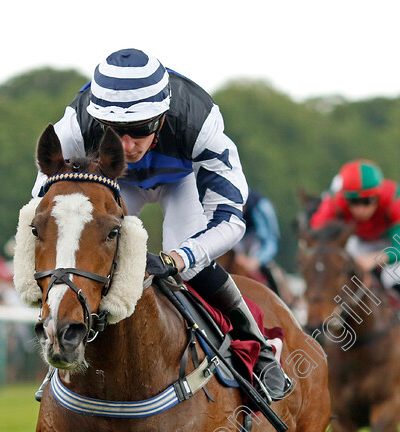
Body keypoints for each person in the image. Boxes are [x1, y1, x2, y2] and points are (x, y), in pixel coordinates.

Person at [31, 48, 288, 401]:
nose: (127, 144)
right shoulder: (75, 124)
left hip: (182, 182)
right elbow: (43, 208)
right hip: (116, 184)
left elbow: (230, 219)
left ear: (162, 118)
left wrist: (178, 258)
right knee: (91, 251)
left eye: (139, 130)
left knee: (189, 268)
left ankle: (258, 349)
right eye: (114, 131)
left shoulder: (199, 122)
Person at [309, 159, 400, 300]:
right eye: (353, 201)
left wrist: (372, 260)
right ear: (345, 198)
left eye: (366, 201)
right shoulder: (335, 202)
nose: (360, 209)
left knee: (398, 277)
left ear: (378, 196)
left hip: (391, 245)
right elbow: (315, 235)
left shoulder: (396, 198)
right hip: (358, 242)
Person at [233, 189, 282, 293]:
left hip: (258, 249)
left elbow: (271, 242)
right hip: (240, 245)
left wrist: (257, 260)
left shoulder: (263, 207)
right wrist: (238, 253)